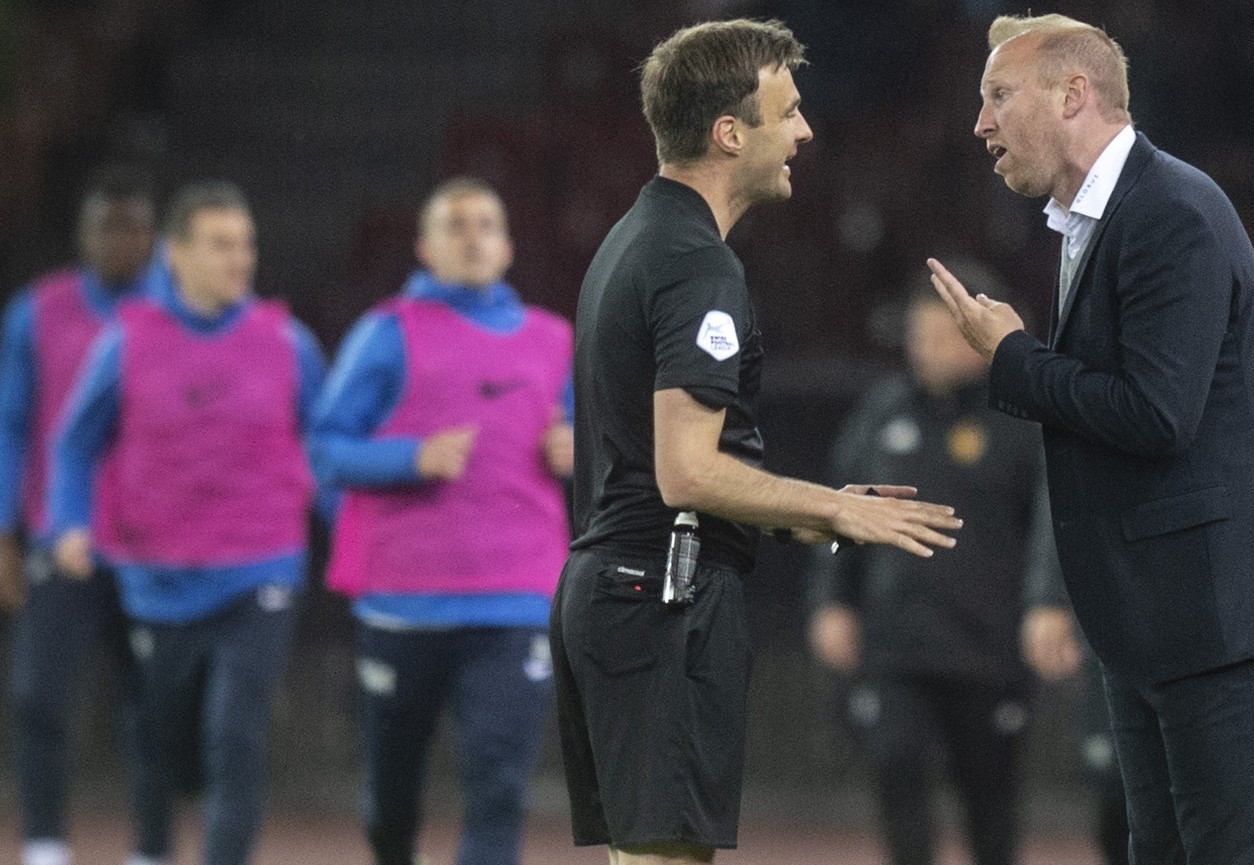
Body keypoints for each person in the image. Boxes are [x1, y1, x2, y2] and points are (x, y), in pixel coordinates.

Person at [928, 14, 1254, 865]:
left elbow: (1159, 413)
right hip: (1156, 618)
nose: (982, 124)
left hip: (1218, 619)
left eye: (998, 96)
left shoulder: (1171, 211)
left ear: (1074, 95)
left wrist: (1011, 358)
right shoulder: (1105, 218)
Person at [549, 19, 962, 865]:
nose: (806, 132)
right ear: (729, 132)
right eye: (789, 111)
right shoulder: (696, 262)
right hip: (659, 600)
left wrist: (816, 518)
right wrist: (832, 506)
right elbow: (686, 470)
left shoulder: (632, 240)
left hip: (618, 590)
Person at [48, 181, 326, 865]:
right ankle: (150, 851)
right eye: (221, 244)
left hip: (261, 569)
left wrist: (362, 535)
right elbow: (75, 443)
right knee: (156, 739)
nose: (241, 258)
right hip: (157, 579)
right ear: (175, 254)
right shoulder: (125, 342)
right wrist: (68, 524)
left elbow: (329, 444)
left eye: (247, 243)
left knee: (235, 735)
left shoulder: (288, 342)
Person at [1025, 315, 1254, 865]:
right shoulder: (1109, 344)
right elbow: (1068, 474)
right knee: (1124, 801)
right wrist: (1049, 594)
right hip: (1126, 600)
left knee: (1229, 809)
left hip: (1237, 613)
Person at [310, 176, 574, 865]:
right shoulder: (386, 332)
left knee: (500, 786)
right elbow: (325, 448)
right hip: (404, 601)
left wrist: (578, 449)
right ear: (425, 246)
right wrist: (410, 456)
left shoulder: (554, 339)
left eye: (487, 224)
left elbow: (595, 445)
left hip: (515, 596)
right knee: (393, 793)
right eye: (455, 225)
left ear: (509, 246)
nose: (472, 236)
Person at [806, 262, 1059, 865]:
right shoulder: (883, 412)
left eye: (941, 335)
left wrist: (1050, 604)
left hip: (990, 653)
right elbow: (837, 512)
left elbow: (1052, 529)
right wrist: (832, 600)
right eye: (918, 335)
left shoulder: (1023, 421)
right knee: (896, 779)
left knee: (992, 811)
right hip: (897, 648)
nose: (925, 349)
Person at [0, 168, 157, 865]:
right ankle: (43, 845)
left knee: (152, 704)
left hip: (152, 544)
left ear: (155, 238)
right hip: (59, 536)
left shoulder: (177, 313)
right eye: (108, 226)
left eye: (135, 227)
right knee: (39, 696)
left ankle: (151, 848)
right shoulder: (38, 311)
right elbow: (9, 423)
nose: (122, 241)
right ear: (83, 235)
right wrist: (3, 529)